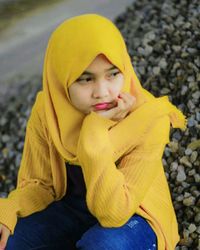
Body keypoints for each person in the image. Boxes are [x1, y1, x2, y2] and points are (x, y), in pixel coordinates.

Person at [0, 14, 187, 250]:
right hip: (72, 209)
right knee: (9, 240)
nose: (102, 92)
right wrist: (8, 209)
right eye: (85, 79)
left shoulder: (149, 118)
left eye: (113, 74)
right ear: (60, 81)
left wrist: (94, 130)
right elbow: (41, 184)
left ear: (125, 69)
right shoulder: (48, 110)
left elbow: (114, 213)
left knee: (102, 245)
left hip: (134, 214)